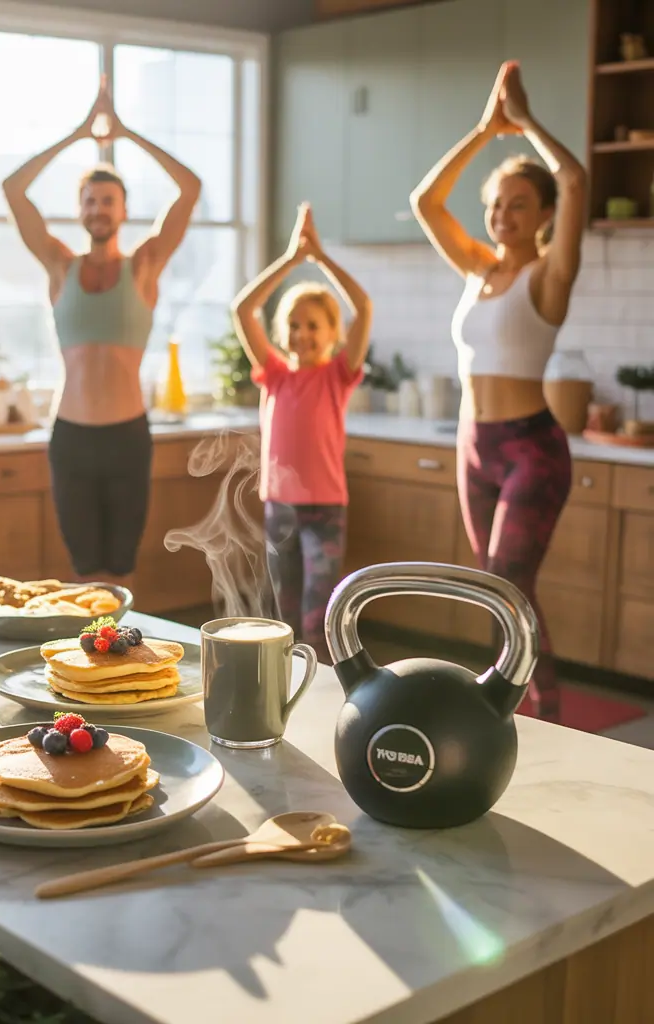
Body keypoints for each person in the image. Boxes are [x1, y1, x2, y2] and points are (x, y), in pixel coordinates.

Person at [410, 61, 587, 721]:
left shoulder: (549, 275)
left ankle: (547, 710)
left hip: (530, 450)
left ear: (544, 214)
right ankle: (508, 711)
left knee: (511, 583)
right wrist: (486, 130)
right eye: (495, 203)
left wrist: (527, 123)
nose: (502, 214)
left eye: (518, 203)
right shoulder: (477, 270)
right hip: (474, 444)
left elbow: (575, 178)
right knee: (493, 588)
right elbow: (427, 202)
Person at [2, 76, 201, 588]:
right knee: (84, 573)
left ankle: (117, 644)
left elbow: (190, 188)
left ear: (124, 210)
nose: (98, 210)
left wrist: (128, 135)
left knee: (120, 572)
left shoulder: (145, 266)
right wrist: (76, 135)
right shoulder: (59, 266)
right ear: (80, 210)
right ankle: (89, 645)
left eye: (108, 201)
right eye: (90, 201)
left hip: (127, 436)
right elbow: (14, 190)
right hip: (70, 436)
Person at [231, 202, 372, 663]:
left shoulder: (337, 376)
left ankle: (320, 685)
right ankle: (283, 688)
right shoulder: (274, 375)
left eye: (313, 325)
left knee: (317, 616)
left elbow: (363, 306)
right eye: (293, 325)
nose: (302, 334)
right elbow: (243, 308)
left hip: (325, 511)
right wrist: (292, 259)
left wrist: (321, 258)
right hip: (281, 509)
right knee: (283, 617)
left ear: (333, 333)